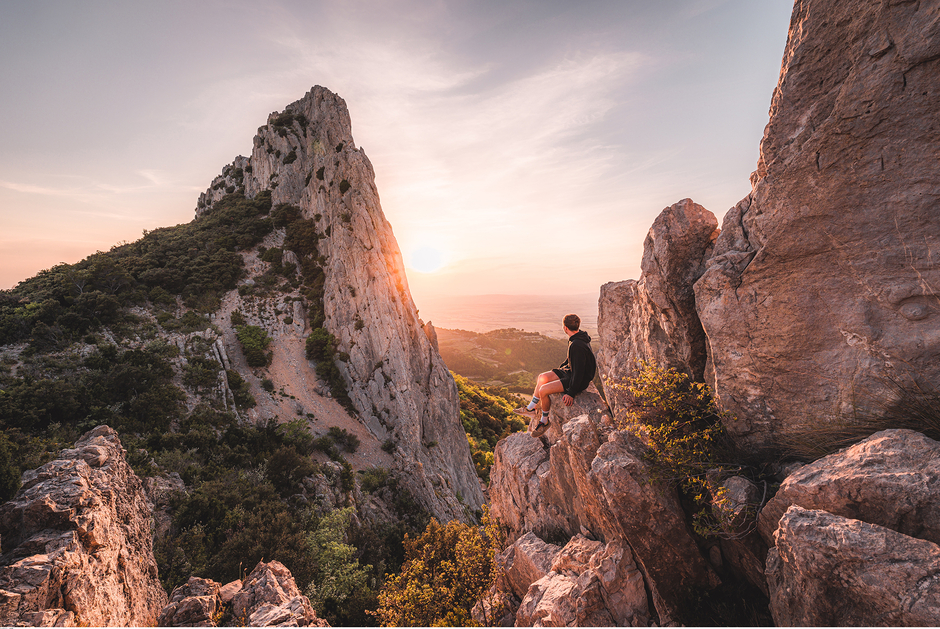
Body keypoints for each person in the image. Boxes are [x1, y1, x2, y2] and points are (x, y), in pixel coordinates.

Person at [515, 314, 597, 438]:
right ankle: (531, 408)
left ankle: (544, 421)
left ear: (565, 328)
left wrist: (571, 392)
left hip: (578, 379)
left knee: (543, 390)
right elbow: (571, 360)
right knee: (543, 377)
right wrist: (559, 371)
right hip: (570, 371)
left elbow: (579, 371)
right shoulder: (578, 337)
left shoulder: (577, 345)